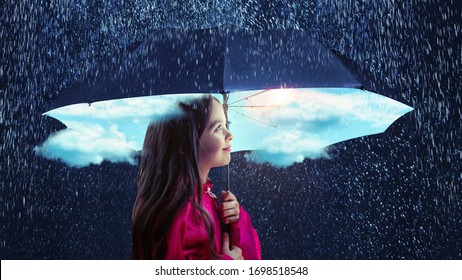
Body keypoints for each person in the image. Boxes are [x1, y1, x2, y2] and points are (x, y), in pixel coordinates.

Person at [131, 95, 261, 260]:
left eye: (226, 125)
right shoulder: (181, 211)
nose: (230, 134)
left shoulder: (201, 197)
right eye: (218, 128)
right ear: (184, 144)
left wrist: (237, 222)